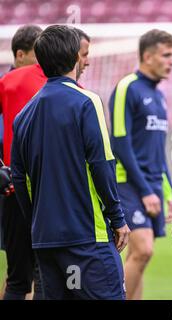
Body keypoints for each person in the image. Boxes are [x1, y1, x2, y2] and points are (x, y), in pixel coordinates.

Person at [11, 25, 130, 300]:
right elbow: (102, 163)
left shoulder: (24, 114)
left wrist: (36, 221)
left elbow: (19, 177)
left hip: (45, 241)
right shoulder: (87, 102)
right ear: (76, 57)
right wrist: (117, 218)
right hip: (86, 238)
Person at [109, 29, 172, 300]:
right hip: (128, 182)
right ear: (148, 56)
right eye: (166, 55)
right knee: (143, 250)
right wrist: (146, 190)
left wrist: (168, 192)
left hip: (151, 185)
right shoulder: (128, 87)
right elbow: (120, 143)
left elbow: (158, 152)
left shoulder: (159, 96)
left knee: (141, 256)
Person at [0, 25, 44, 300]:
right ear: (20, 54)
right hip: (41, 191)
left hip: (12, 187)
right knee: (43, 273)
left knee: (18, 278)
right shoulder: (59, 85)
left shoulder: (7, 85)